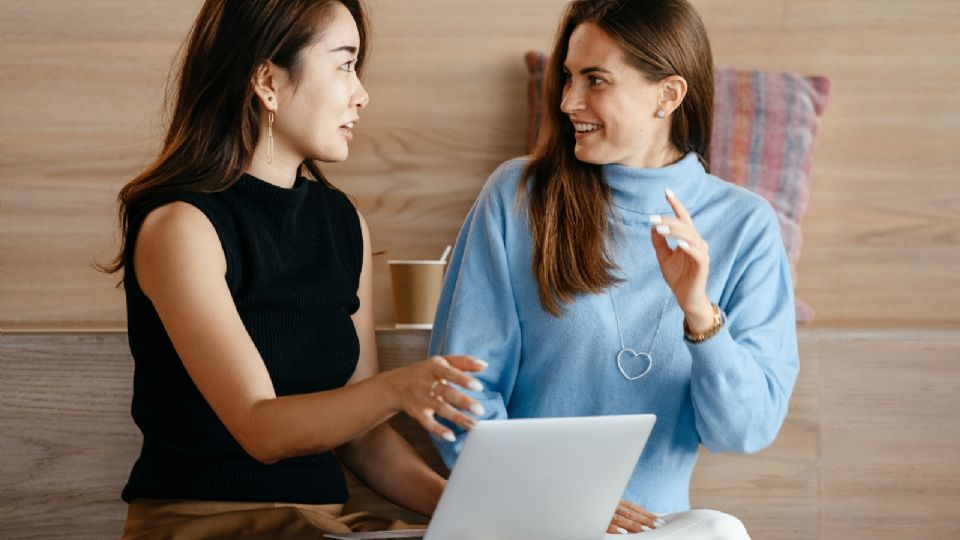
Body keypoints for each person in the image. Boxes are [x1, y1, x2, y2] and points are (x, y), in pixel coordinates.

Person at [101, 1, 486, 537]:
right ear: (266, 81)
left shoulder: (343, 222)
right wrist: (399, 389)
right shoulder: (182, 227)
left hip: (323, 523)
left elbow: (363, 437)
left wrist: (483, 511)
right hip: (209, 523)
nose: (362, 93)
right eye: (345, 64)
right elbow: (261, 429)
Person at [429, 0, 798, 537]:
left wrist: (699, 314)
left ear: (667, 96)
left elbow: (745, 430)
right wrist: (560, 502)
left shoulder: (747, 226)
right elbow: (457, 396)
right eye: (568, 77)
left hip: (657, 529)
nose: (567, 100)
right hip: (523, 520)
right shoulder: (518, 196)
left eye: (595, 80)